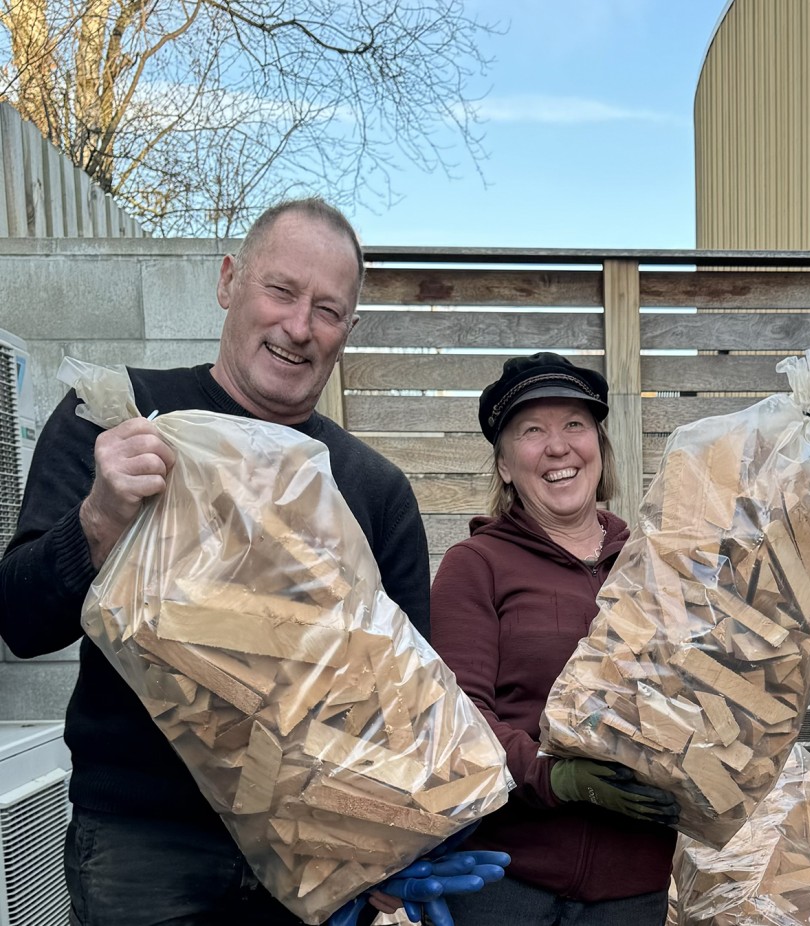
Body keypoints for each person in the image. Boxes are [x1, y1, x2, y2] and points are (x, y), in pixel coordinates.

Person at [0, 198, 476, 924]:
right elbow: (21, 622)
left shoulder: (373, 490)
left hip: (313, 848)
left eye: (327, 309)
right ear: (228, 282)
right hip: (144, 844)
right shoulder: (117, 416)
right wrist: (99, 517)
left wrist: (396, 844)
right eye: (280, 291)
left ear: (349, 329)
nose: (298, 327)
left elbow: (404, 711)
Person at [430, 352, 679, 925]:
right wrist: (554, 777)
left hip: (633, 884)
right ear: (504, 465)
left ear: (599, 445)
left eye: (574, 424)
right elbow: (458, 717)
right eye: (532, 431)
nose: (558, 446)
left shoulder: (655, 561)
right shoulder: (475, 565)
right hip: (505, 882)